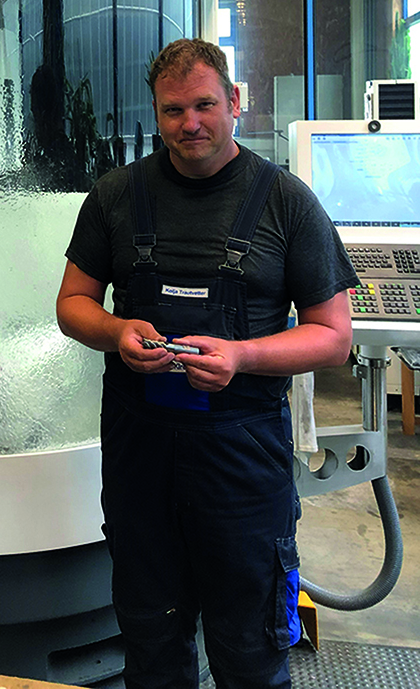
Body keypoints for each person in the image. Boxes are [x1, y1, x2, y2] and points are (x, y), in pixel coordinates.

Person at [56, 38, 357, 689]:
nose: (189, 123)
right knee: (152, 651)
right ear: (155, 112)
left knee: (250, 656)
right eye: (173, 110)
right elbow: (72, 305)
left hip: (243, 472)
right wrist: (117, 331)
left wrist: (244, 356)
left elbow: (334, 337)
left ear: (234, 101)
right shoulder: (115, 195)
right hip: (141, 468)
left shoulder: (287, 202)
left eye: (204, 105)